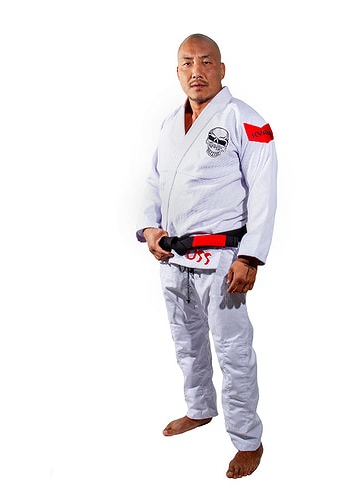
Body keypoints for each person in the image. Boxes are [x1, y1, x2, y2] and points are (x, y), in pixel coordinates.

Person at [136, 33, 277, 479]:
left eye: (206, 61)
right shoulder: (169, 123)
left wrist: (250, 257)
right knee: (187, 341)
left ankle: (248, 439)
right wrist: (149, 228)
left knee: (233, 351)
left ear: (221, 68)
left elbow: (264, 193)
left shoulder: (245, 120)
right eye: (187, 63)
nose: (196, 71)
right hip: (173, 257)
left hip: (222, 260)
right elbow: (154, 181)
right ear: (178, 71)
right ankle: (199, 408)